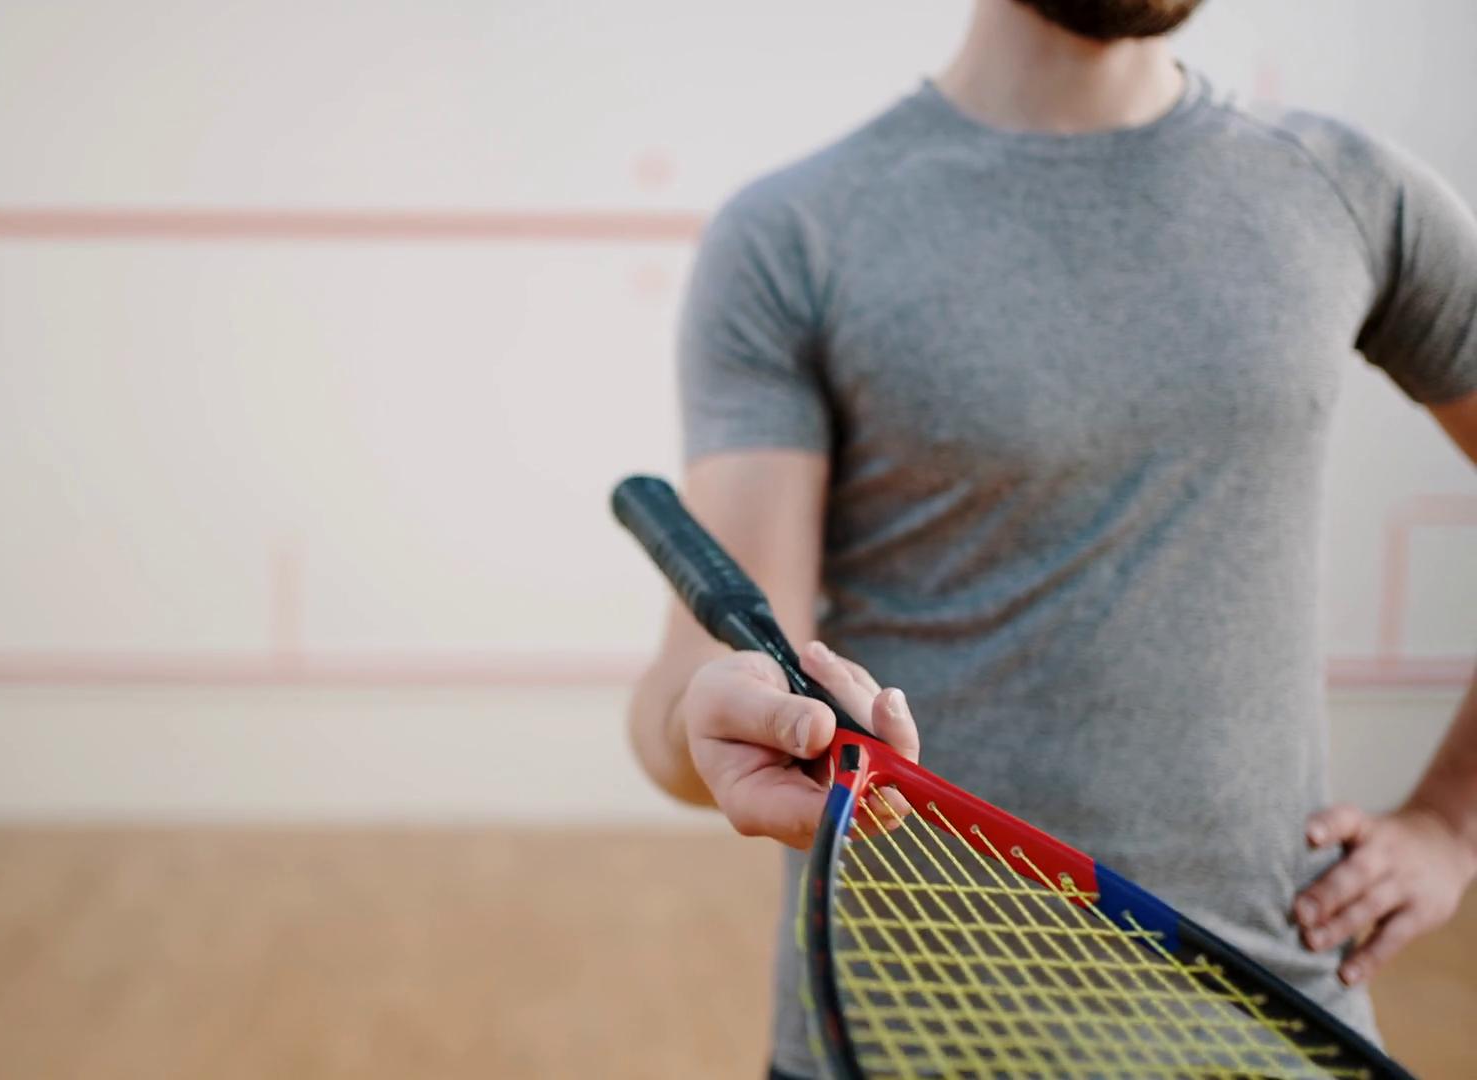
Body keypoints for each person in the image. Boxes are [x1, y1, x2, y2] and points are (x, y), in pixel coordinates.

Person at [624, 1, 1477, 1076]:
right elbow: (685, 700)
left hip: (1275, 1026)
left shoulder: (1354, 193)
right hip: (895, 1040)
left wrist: (1452, 824)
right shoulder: (794, 231)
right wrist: (706, 719)